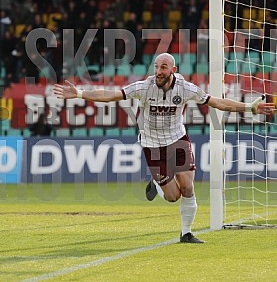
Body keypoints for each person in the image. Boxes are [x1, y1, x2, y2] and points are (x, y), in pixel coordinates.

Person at [53, 53, 274, 243]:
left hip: (177, 139)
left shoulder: (186, 88)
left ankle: (186, 233)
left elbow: (217, 102)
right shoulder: (144, 87)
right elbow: (111, 95)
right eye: (156, 67)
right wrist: (80, 94)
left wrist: (249, 107)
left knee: (187, 187)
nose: (158, 71)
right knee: (172, 197)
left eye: (163, 67)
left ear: (173, 70)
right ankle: (157, 185)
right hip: (152, 144)